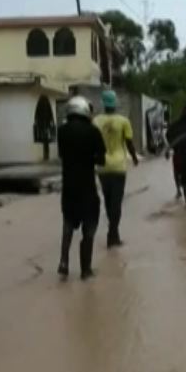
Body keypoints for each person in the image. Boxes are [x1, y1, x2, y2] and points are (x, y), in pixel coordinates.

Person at [57, 96, 107, 280]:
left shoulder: (62, 131)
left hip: (69, 187)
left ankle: (63, 261)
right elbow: (101, 160)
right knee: (89, 227)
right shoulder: (93, 132)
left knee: (68, 223)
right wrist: (89, 159)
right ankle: (85, 270)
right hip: (87, 188)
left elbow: (62, 155)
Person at [93, 90, 139, 247]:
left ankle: (114, 232)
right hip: (119, 166)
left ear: (103, 103)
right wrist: (134, 158)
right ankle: (112, 235)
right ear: (115, 103)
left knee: (108, 201)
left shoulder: (96, 121)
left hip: (102, 166)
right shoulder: (123, 121)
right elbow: (129, 143)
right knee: (117, 203)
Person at [165, 106, 186, 206]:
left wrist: (171, 146)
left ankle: (180, 191)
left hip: (179, 152)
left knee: (178, 172)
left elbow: (168, 134)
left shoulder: (176, 125)